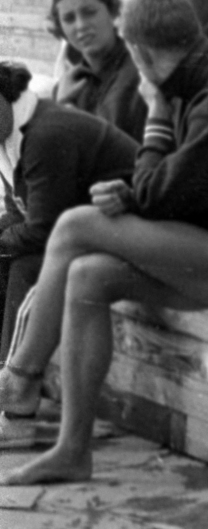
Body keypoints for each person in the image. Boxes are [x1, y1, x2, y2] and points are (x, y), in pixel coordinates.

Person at [0, 0, 208, 486]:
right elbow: (162, 186)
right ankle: (72, 449)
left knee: (75, 225)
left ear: (139, 51)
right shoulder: (199, 85)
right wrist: (131, 191)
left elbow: (164, 197)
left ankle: (17, 381)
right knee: (88, 275)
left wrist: (154, 117)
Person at [0, 60, 137, 363]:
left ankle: (12, 379)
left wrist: (5, 240)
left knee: (24, 266)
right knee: (5, 251)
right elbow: (18, 207)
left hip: (122, 227)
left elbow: (42, 229)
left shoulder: (39, 131)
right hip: (75, 225)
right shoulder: (6, 133)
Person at [49, 0, 147, 139]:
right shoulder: (67, 86)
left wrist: (65, 109)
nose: (81, 26)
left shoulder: (140, 71)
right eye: (69, 19)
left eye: (89, 13)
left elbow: (112, 148)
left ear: (112, 13)